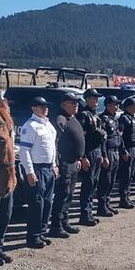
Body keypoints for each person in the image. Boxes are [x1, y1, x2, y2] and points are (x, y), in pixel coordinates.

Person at [18, 97, 59, 249]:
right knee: (36, 204)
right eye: (41, 106)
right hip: (37, 169)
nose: (45, 109)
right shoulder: (30, 126)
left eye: (46, 106)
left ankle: (41, 232)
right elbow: (24, 151)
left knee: (47, 203)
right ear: (33, 108)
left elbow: (52, 148)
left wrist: (54, 164)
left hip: (48, 168)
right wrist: (29, 172)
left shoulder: (48, 125)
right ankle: (33, 237)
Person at [52, 93, 85, 238]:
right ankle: (56, 226)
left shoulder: (73, 118)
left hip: (74, 162)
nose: (76, 105)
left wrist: (80, 157)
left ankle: (65, 222)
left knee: (70, 194)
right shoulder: (61, 119)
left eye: (77, 103)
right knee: (62, 195)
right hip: (65, 163)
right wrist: (58, 163)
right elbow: (56, 141)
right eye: (73, 103)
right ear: (64, 104)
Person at [76, 89, 107, 224]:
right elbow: (81, 138)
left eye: (97, 98)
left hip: (97, 151)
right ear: (87, 99)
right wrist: (82, 156)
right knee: (87, 184)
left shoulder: (96, 115)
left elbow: (102, 138)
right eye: (94, 98)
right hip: (88, 152)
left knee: (94, 183)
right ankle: (84, 214)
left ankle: (89, 212)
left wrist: (103, 155)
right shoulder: (83, 115)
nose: (96, 101)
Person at [97, 96, 126, 211]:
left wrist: (123, 150)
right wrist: (104, 156)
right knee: (105, 180)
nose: (117, 106)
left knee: (112, 179)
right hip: (108, 152)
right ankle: (101, 205)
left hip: (116, 151)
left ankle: (107, 203)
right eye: (115, 104)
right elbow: (102, 140)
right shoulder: (103, 119)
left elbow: (119, 136)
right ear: (108, 105)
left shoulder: (114, 119)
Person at [116, 97, 135, 208]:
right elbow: (120, 137)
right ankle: (123, 198)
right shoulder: (124, 119)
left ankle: (127, 197)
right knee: (126, 175)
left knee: (131, 174)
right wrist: (124, 151)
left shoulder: (134, 118)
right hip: (128, 149)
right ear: (129, 107)